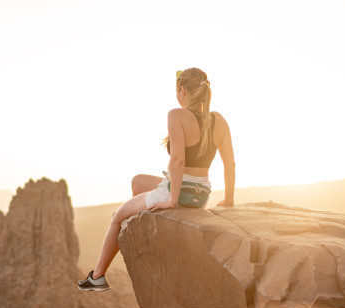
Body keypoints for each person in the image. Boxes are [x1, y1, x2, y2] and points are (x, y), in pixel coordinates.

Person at [78, 67, 236, 292]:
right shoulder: (218, 120)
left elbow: (178, 161)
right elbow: (230, 163)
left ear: (182, 90)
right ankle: (145, 230)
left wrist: (172, 200)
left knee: (117, 216)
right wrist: (229, 199)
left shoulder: (177, 115)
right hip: (201, 194)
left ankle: (97, 277)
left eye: (176, 90)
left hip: (178, 191)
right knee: (138, 182)